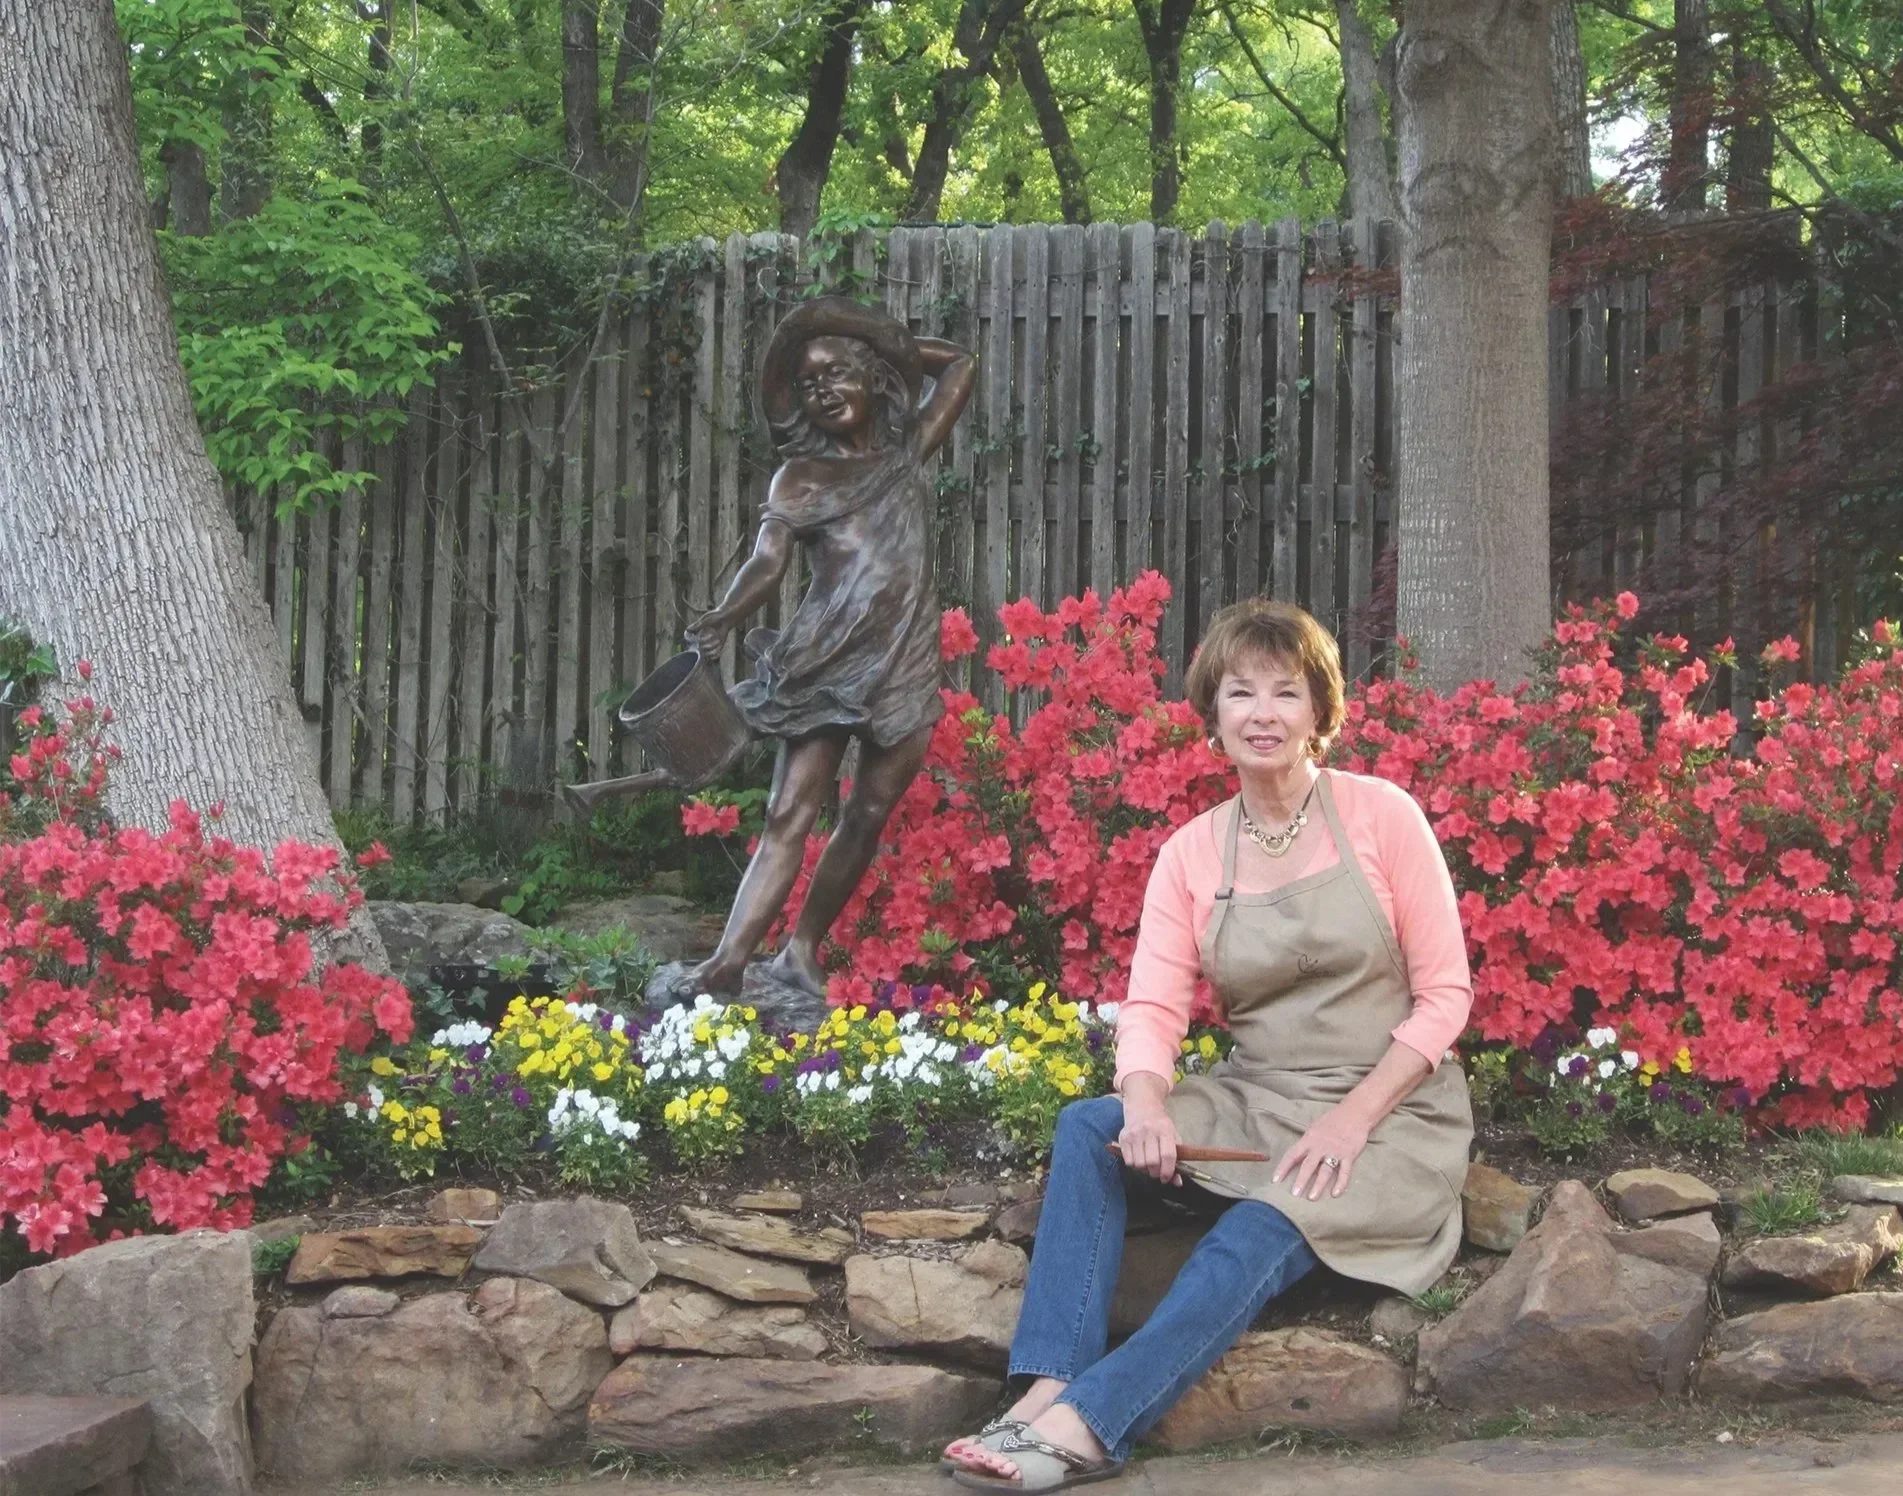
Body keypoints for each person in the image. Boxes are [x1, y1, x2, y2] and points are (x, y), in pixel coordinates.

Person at [944, 599, 1474, 1492]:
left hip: (1390, 1114)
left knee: (1256, 1228)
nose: (1262, 713)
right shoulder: (1191, 853)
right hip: (1261, 1094)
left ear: (1319, 713)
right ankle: (1049, 1382)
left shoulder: (1383, 816)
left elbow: (1445, 997)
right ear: (1214, 713)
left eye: (1285, 693)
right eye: (1240, 693)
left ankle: (1090, 1426)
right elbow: (1152, 1004)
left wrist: (1349, 1123)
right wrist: (1146, 1104)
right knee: (1090, 1126)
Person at [683, 298, 975, 1000]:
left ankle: (801, 951)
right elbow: (767, 560)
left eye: (838, 374)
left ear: (875, 380)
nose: (822, 392)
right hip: (824, 661)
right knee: (790, 809)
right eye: (809, 385)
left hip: (903, 658)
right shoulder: (799, 478)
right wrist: (727, 612)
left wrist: (895, 345)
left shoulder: (907, 448)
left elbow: (959, 364)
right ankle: (729, 958)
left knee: (867, 813)